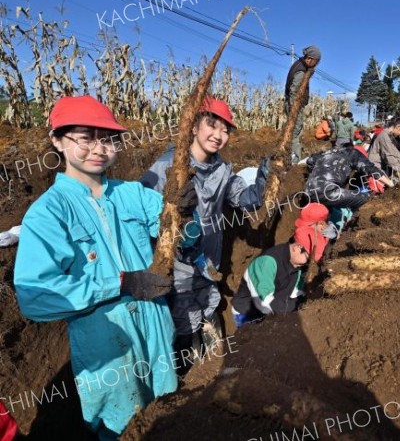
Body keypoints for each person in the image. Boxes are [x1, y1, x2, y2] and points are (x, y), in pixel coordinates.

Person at [13, 96, 180, 438]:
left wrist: (185, 217)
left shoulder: (132, 193)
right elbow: (35, 297)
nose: (99, 148)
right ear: (58, 141)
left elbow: (181, 236)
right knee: (120, 426)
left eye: (108, 138)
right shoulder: (48, 213)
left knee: (167, 414)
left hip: (157, 327)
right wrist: (118, 282)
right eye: (85, 138)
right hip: (107, 344)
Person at [140, 97, 269, 368]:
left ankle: (211, 365)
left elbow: (243, 199)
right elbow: (142, 211)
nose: (219, 135)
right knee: (183, 316)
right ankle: (186, 371)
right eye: (212, 125)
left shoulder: (223, 169)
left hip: (210, 261)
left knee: (209, 304)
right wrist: (174, 228)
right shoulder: (167, 167)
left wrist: (264, 182)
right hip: (178, 266)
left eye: (225, 130)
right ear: (195, 126)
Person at [231, 228, 320, 327]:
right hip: (247, 315)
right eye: (308, 258)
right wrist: (296, 305)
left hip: (273, 311)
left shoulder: (298, 267)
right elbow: (265, 304)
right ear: (298, 247)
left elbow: (297, 294)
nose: (308, 263)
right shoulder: (266, 263)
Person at [305, 142, 394, 212]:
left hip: (308, 192)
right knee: (363, 198)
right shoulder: (353, 153)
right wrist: (390, 184)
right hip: (327, 192)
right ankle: (349, 220)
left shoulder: (327, 153)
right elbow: (371, 169)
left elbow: (310, 161)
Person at [285, 45, 321, 164]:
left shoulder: (299, 65)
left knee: (294, 131)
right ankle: (294, 159)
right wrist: (294, 111)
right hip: (295, 106)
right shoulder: (300, 70)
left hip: (295, 105)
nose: (316, 65)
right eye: (316, 62)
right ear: (310, 59)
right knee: (295, 131)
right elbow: (294, 91)